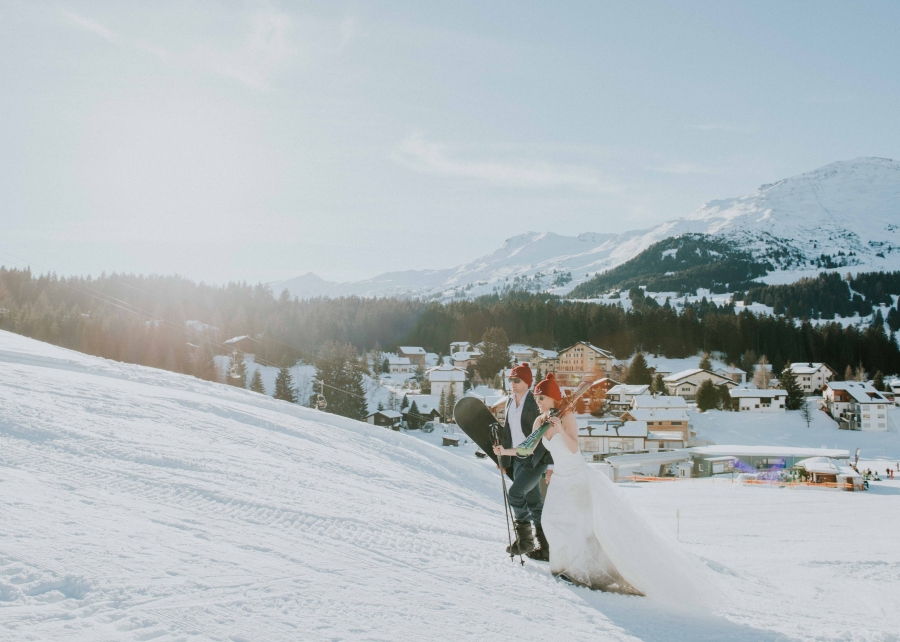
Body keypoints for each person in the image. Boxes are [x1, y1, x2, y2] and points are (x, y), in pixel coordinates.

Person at [497, 372, 715, 609]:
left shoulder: (567, 416)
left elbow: (572, 449)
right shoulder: (539, 422)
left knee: (584, 525)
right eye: (537, 397)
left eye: (541, 398)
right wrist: (504, 452)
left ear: (552, 398)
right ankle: (563, 565)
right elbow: (527, 450)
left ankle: (589, 569)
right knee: (551, 521)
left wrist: (560, 429)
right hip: (560, 477)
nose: (537, 401)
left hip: (577, 476)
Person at [493, 363, 553, 561]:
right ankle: (545, 549)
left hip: (536, 459)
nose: (513, 383)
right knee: (535, 503)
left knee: (515, 494)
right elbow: (508, 432)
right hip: (518, 459)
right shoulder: (510, 402)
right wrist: (504, 458)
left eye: (517, 380)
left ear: (528, 382)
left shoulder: (535, 403)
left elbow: (548, 433)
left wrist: (551, 465)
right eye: (511, 380)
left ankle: (525, 540)